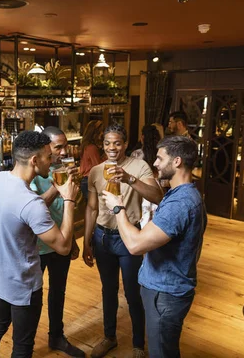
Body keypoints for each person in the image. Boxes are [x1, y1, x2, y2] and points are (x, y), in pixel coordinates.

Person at [102, 135, 207, 358]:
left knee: (161, 352)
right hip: (169, 288)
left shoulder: (180, 203)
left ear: (177, 161)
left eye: (160, 158)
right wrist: (130, 179)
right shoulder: (184, 193)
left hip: (165, 293)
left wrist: (118, 208)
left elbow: (135, 245)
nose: (155, 164)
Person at [0, 131, 79, 358]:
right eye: (48, 156)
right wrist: (69, 199)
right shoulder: (31, 202)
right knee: (22, 346)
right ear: (34, 161)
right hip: (23, 284)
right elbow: (63, 247)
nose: (52, 161)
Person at [83, 124, 163, 358]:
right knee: (108, 290)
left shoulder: (139, 166)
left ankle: (138, 344)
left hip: (129, 239)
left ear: (125, 144)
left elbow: (157, 196)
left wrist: (129, 178)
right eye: (107, 143)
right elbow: (91, 208)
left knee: (132, 292)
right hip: (102, 237)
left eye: (117, 143)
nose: (112, 148)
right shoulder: (96, 171)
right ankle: (109, 337)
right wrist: (87, 241)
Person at [29, 126, 84, 357]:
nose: (63, 152)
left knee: (58, 291)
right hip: (38, 247)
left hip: (61, 240)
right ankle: (26, 344)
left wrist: (72, 240)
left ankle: (56, 337)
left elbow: (70, 207)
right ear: (45, 149)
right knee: (33, 296)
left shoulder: (64, 169)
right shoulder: (35, 174)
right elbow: (36, 206)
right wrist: (57, 185)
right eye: (57, 147)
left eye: (65, 146)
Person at [130, 124, 162, 227]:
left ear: (142, 137)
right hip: (157, 188)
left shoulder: (136, 154)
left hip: (141, 187)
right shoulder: (160, 154)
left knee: (142, 217)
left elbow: (132, 174)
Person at [80, 120, 105, 200]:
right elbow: (97, 166)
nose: (102, 134)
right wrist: (106, 158)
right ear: (94, 132)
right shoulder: (91, 148)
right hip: (89, 180)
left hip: (85, 180)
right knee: (93, 207)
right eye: (100, 131)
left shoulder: (86, 145)